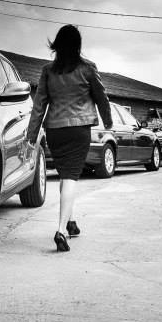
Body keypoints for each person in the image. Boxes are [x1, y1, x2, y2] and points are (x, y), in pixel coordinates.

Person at [26, 25, 113, 252]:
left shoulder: (48, 71)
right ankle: (61, 230)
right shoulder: (88, 69)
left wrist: (31, 136)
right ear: (77, 46)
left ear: (57, 44)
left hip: (55, 130)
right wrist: (109, 121)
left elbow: (38, 106)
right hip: (78, 130)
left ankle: (71, 223)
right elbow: (101, 98)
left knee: (65, 175)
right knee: (72, 178)